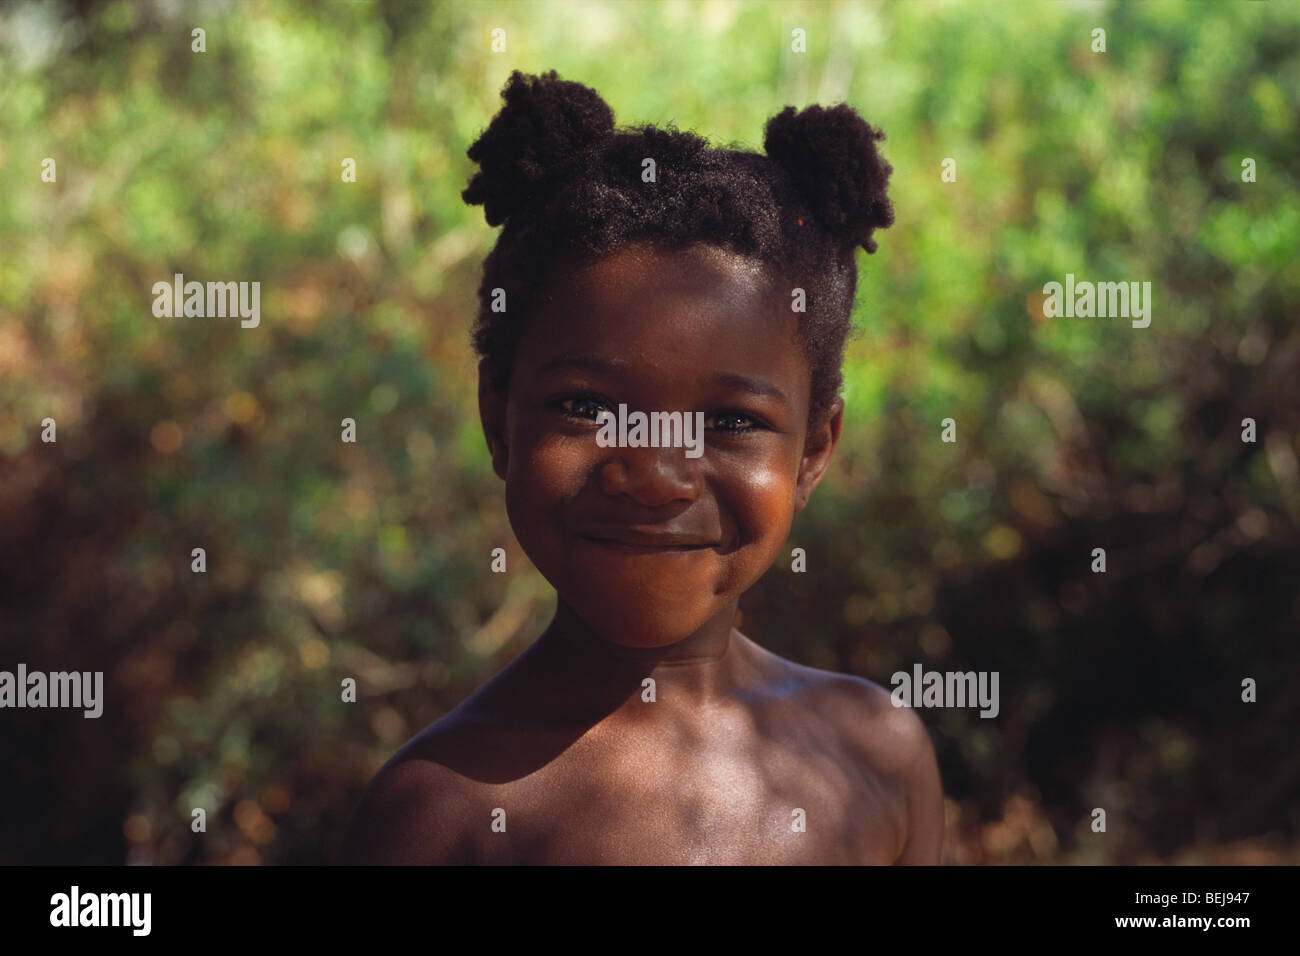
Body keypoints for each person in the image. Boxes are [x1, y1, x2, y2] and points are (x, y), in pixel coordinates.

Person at [340, 69, 943, 864]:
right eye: (587, 407)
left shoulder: (878, 755)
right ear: (499, 419)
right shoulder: (439, 810)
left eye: (731, 421)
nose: (658, 473)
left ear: (814, 451)